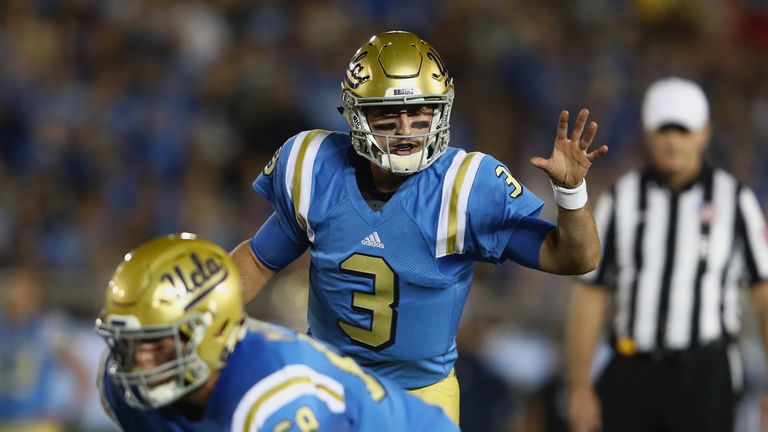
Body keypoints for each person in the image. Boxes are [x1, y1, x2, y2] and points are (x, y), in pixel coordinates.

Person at [230, 30, 608, 423]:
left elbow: (574, 258)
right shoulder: (315, 168)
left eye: (420, 111)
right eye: (388, 113)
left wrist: (571, 194)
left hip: (421, 395)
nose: (407, 127)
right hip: (326, 380)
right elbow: (258, 260)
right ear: (355, 113)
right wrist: (207, 317)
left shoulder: (463, 186)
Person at [565, 76, 768, 432]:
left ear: (704, 133)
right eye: (664, 130)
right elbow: (591, 293)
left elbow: (763, 294)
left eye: (683, 130)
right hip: (631, 368)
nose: (673, 142)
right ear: (647, 133)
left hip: (706, 375)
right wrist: (579, 385)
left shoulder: (736, 201)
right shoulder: (621, 199)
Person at [95, 234, 458, 431]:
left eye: (158, 343)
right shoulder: (125, 389)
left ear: (215, 330)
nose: (139, 362)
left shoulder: (275, 397)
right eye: (130, 345)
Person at [0, 266, 91, 432]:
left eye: (22, 289)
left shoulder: (48, 326)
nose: (15, 295)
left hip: (36, 423)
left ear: (35, 294)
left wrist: (73, 413)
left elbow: (81, 373)